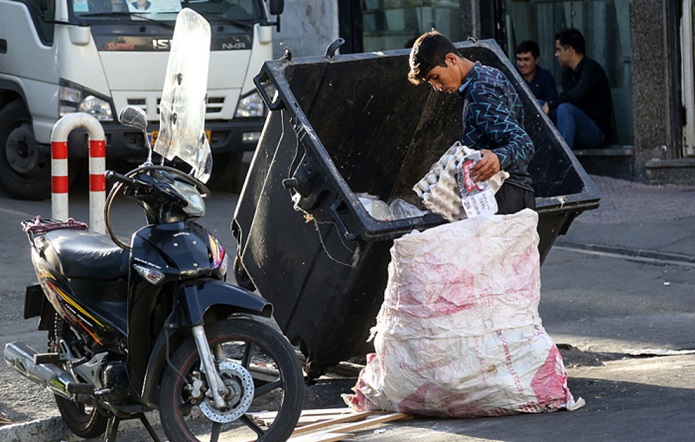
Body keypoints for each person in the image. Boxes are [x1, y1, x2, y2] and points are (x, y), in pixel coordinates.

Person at [408, 31, 535, 214]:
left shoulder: (479, 90)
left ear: (452, 59)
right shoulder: (490, 75)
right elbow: (485, 142)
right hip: (507, 195)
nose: (437, 87)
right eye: (431, 83)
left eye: (436, 77)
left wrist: (499, 158)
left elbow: (524, 143)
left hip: (504, 195)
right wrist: (448, 166)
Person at [543, 28, 612, 150]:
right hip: (573, 127)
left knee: (565, 108)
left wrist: (552, 104)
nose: (556, 55)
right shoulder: (567, 74)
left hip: (595, 133)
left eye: (559, 50)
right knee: (539, 105)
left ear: (570, 50)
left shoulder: (591, 69)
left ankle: (562, 160)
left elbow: (578, 95)